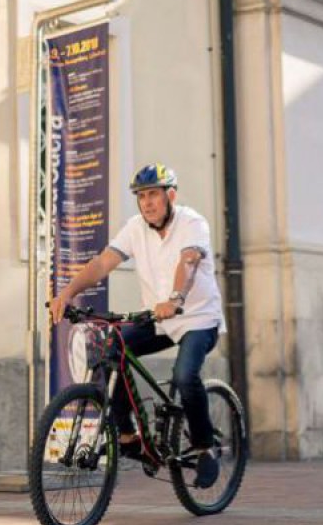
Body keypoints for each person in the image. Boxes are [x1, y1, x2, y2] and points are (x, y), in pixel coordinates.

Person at [48, 163, 227, 488]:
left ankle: (204, 449)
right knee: (111, 348)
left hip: (198, 317)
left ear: (170, 195)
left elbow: (189, 260)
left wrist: (175, 299)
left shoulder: (192, 223)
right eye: (141, 196)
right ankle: (130, 437)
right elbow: (104, 262)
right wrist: (68, 292)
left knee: (186, 377)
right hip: (157, 318)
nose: (147, 202)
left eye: (153, 195)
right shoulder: (135, 228)